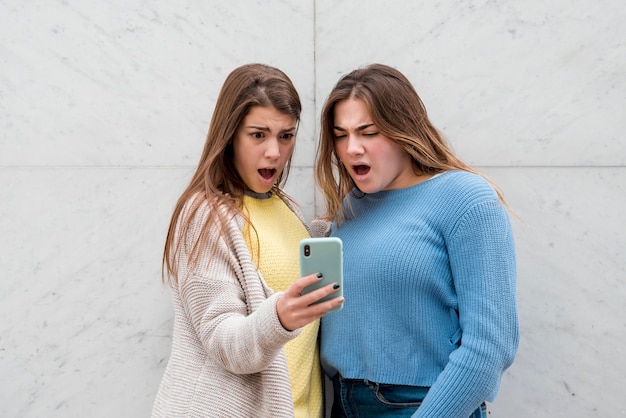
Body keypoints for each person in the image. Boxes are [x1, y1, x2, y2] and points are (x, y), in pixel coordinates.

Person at [314, 63, 519, 417]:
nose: (351, 149)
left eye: (368, 132)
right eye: (341, 134)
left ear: (402, 130)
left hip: (421, 405)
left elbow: (490, 347)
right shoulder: (351, 208)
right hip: (342, 403)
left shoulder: (466, 199)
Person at [152, 63, 344, 418]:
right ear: (230, 135)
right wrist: (281, 317)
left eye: (286, 136)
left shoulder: (284, 206)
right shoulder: (205, 215)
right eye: (258, 135)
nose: (275, 151)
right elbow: (224, 342)